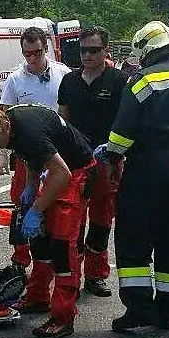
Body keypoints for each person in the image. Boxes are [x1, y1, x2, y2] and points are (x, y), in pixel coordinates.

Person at [91, 21, 169, 333]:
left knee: (134, 234)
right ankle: (168, 312)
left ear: (146, 49)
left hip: (148, 165)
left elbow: (122, 132)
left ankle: (139, 309)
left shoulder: (143, 80)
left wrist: (110, 157)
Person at [0, 105, 95, 338]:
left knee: (61, 245)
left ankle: (63, 317)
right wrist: (31, 184)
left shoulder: (27, 130)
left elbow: (62, 173)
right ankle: (38, 296)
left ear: (5, 126)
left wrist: (37, 209)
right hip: (59, 169)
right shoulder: (14, 125)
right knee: (40, 239)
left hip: (75, 171)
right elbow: (31, 155)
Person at [57, 25, 128, 297]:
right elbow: (62, 120)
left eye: (93, 50)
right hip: (75, 160)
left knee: (101, 221)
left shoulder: (118, 80)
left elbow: (126, 121)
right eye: (82, 49)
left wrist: (114, 155)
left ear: (105, 51)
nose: (86, 55)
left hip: (107, 160)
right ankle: (72, 276)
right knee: (74, 222)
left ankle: (96, 275)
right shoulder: (69, 81)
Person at [0, 26, 72, 268]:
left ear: (46, 48)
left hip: (57, 152)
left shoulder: (63, 74)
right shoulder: (15, 80)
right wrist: (2, 158)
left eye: (36, 53)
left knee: (58, 205)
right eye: (27, 54)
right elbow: (3, 119)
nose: (31, 58)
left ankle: (54, 258)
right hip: (26, 153)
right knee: (22, 203)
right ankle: (20, 258)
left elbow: (70, 113)